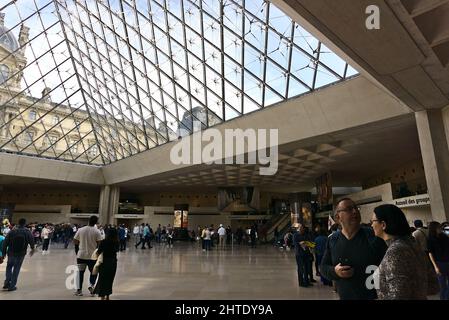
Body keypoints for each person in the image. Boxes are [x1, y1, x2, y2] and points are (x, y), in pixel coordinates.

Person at [320, 198, 387, 300]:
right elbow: (323, 267)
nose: (355, 211)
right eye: (349, 209)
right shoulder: (333, 240)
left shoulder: (373, 236)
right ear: (338, 217)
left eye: (356, 208)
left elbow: (390, 267)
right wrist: (335, 271)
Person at [371, 204, 429, 299]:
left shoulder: (395, 251)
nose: (372, 225)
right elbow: (432, 284)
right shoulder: (411, 244)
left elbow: (398, 294)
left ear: (383, 225)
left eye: (373, 221)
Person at [1, 218, 35, 291]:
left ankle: (6, 283)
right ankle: (12, 286)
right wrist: (32, 249)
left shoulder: (12, 231)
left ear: (18, 223)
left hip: (11, 253)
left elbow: (5, 243)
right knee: (16, 268)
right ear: (25, 223)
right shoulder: (27, 232)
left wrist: (3, 253)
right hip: (21, 254)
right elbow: (32, 241)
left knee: (9, 267)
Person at [73, 215, 102, 296]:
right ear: (96, 222)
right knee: (93, 272)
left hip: (81, 255)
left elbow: (75, 240)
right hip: (92, 256)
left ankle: (79, 291)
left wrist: (77, 250)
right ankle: (91, 286)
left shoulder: (81, 229)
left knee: (80, 273)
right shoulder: (97, 231)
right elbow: (100, 244)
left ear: (88, 221)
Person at [94, 227, 119, 300]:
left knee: (102, 278)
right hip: (113, 262)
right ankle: (108, 296)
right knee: (110, 279)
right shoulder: (116, 242)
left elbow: (98, 251)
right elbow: (117, 250)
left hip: (104, 262)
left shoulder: (104, 241)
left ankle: (102, 296)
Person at [428, 221, 449, 300]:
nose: (440, 228)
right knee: (443, 285)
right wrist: (435, 266)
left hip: (447, 261)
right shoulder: (430, 239)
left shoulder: (445, 237)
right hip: (440, 264)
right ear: (434, 229)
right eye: (438, 227)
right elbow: (431, 254)